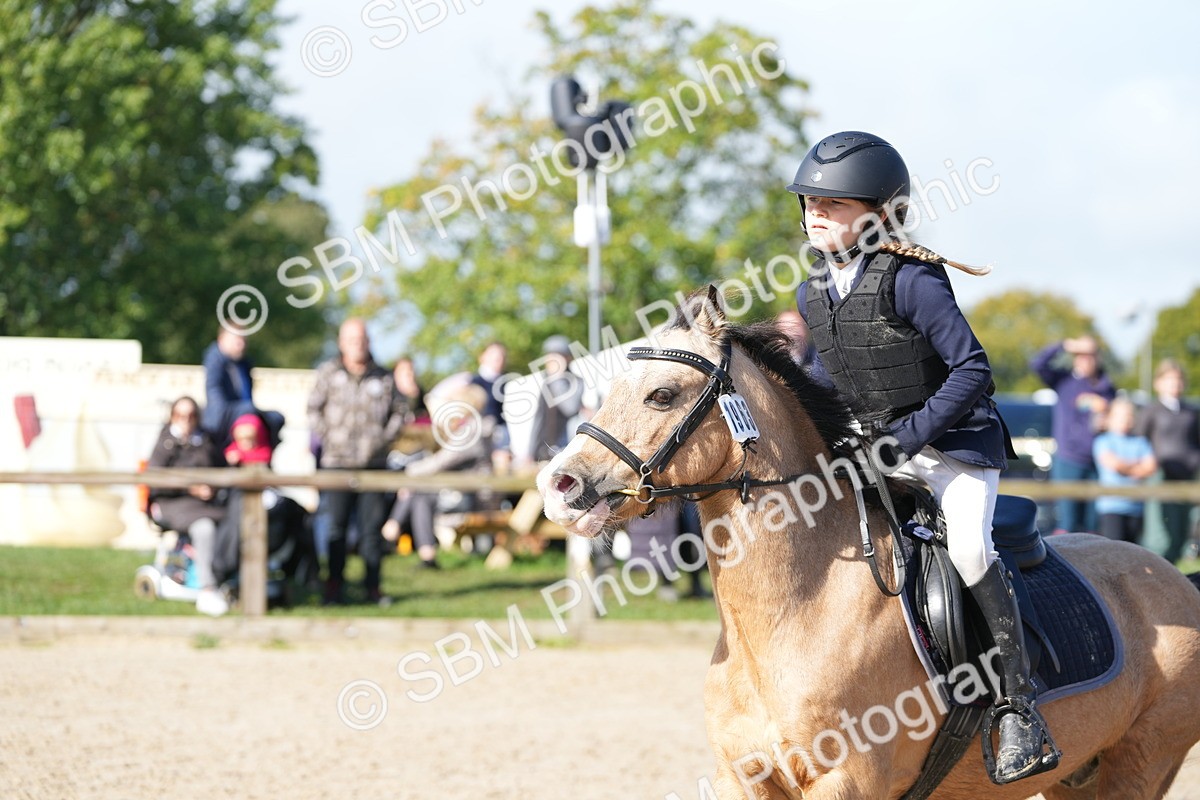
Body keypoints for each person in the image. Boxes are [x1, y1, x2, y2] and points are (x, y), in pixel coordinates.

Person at [788, 131, 1056, 784]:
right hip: (881, 454)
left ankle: (1018, 705)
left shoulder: (914, 280)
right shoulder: (812, 293)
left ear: (879, 213)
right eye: (809, 202)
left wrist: (904, 440)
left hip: (956, 450)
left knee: (966, 549)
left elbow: (972, 370)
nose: (816, 213)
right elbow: (828, 384)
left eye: (835, 203)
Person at [307, 319, 408, 606]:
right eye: (351, 339)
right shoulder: (328, 373)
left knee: (371, 529)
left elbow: (400, 413)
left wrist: (382, 441)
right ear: (341, 343)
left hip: (374, 465)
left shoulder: (384, 377)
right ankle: (334, 589)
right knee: (335, 528)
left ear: (369, 341)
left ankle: (372, 589)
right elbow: (313, 410)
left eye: (361, 339)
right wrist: (331, 437)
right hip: (336, 463)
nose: (357, 344)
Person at [382, 384, 495, 568]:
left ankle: (393, 531)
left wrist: (407, 473)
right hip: (458, 491)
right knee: (418, 493)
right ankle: (424, 554)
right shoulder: (472, 429)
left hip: (469, 497)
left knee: (418, 493)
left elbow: (442, 461)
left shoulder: (472, 433)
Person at [146, 396, 229, 617]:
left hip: (206, 504)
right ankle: (207, 589)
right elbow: (155, 478)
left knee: (233, 520)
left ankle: (227, 578)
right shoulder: (165, 441)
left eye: (191, 415)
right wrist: (191, 488)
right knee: (204, 528)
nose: (186, 420)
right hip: (172, 503)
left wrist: (211, 487)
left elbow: (221, 468)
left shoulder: (205, 440)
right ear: (172, 416)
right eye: (180, 415)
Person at [1030, 336, 1116, 534]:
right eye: (1081, 355)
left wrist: (1106, 409)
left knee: (1092, 524)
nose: (1086, 359)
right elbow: (1037, 364)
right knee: (1066, 523)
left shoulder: (1106, 386)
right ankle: (1060, 564)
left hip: (1097, 461)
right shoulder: (1065, 380)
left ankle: (1089, 565)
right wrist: (1064, 345)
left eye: (1091, 355)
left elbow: (1118, 419)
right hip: (1069, 459)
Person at [1135, 359, 1200, 562]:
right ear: (1159, 383)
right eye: (1170, 379)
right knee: (1161, 532)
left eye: (1178, 379)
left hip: (1189, 475)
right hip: (1161, 476)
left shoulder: (1191, 411)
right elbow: (1138, 440)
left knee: (1183, 527)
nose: (1175, 384)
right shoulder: (1151, 410)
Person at [202, 325, 285, 449]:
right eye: (237, 339)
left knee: (277, 418)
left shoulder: (244, 363)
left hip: (243, 414)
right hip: (225, 420)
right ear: (221, 339)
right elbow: (217, 406)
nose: (241, 344)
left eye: (244, 340)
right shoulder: (215, 360)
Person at [1093, 397, 1157, 544]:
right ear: (1110, 418)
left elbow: (1150, 468)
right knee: (1113, 554)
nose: (1126, 420)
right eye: (1121, 416)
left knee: (1133, 555)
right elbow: (1114, 464)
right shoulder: (1103, 441)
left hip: (1136, 508)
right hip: (1111, 508)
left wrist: (1127, 467)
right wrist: (1137, 467)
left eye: (1129, 416)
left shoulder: (1141, 442)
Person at [393, 357, 429, 423]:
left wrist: (414, 396)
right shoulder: (389, 397)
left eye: (411, 369)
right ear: (395, 374)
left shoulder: (423, 397)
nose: (409, 373)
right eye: (404, 370)